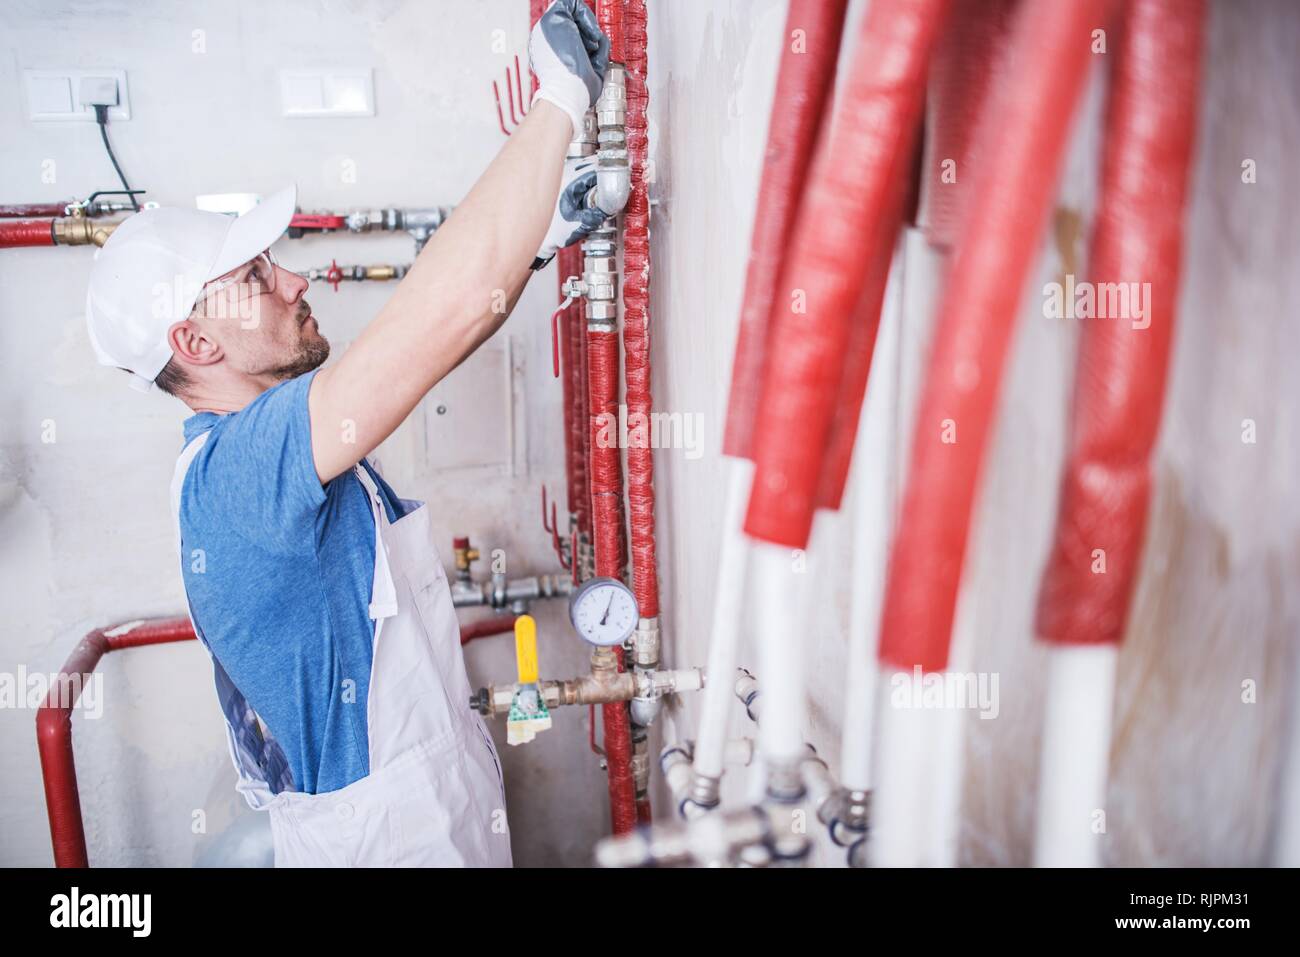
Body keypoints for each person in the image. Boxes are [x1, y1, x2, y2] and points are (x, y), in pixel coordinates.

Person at [82, 0, 610, 867]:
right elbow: (431, 319)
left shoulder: (264, 444)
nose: (294, 278)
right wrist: (556, 98)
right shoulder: (241, 468)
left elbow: (453, 328)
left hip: (428, 806)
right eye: (255, 275)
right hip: (387, 842)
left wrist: (542, 234)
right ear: (197, 343)